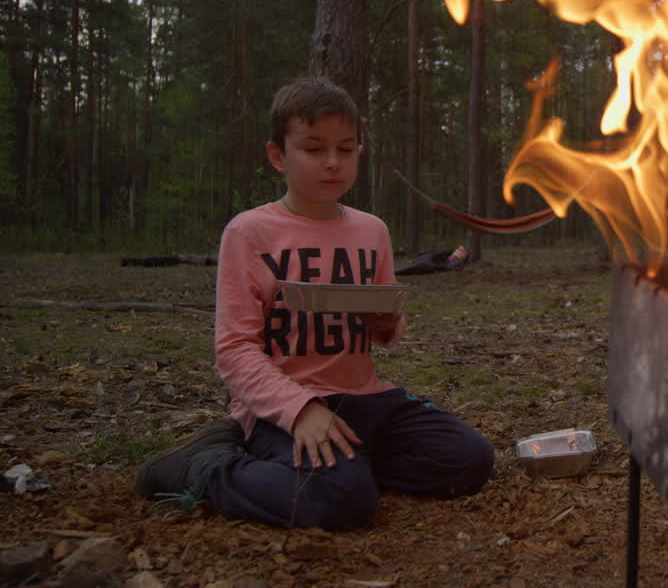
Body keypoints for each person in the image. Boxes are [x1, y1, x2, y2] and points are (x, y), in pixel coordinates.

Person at [134, 77, 494, 529]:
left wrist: (386, 321)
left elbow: (385, 332)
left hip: (364, 399)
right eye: (314, 148)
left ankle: (345, 466)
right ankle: (203, 467)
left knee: (469, 460)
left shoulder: (371, 231)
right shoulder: (249, 233)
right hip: (282, 408)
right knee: (341, 501)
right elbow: (235, 350)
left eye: (347, 149)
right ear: (278, 155)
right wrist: (300, 410)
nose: (332, 162)